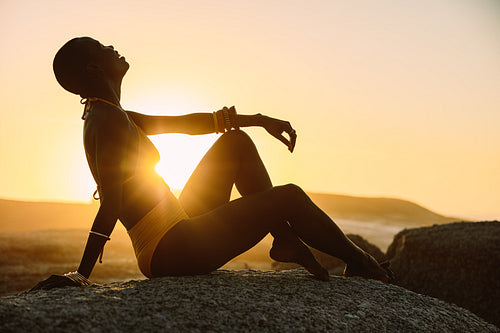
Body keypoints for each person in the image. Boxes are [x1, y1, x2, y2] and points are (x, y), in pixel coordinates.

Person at [31, 37, 391, 290]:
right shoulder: (106, 121)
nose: (112, 47)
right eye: (102, 47)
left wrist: (259, 119)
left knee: (235, 143)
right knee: (290, 197)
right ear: (95, 67)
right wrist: (81, 273)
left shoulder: (110, 112)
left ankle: (284, 241)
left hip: (179, 223)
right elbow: (112, 201)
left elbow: (188, 124)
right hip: (169, 248)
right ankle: (363, 262)